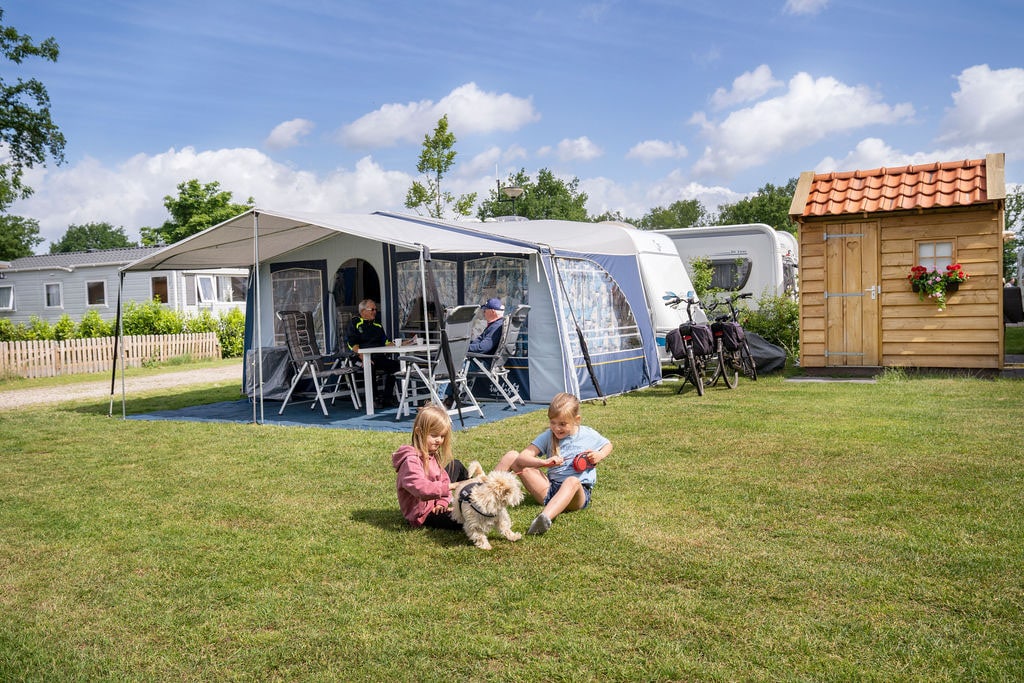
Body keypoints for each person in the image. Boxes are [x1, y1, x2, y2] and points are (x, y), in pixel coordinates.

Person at [496, 392, 612, 535]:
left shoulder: (588, 434)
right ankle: (484, 493)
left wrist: (600, 454)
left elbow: (608, 445)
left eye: (562, 424)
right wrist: (544, 462)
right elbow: (522, 458)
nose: (557, 428)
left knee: (572, 481)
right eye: (553, 423)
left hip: (577, 495)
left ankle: (544, 518)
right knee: (511, 456)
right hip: (550, 489)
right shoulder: (548, 436)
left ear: (577, 420)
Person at [392, 404, 470, 529]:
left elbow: (443, 478)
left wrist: (442, 502)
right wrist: (453, 486)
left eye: (442, 436)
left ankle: (472, 493)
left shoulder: (431, 454)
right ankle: (464, 506)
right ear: (419, 432)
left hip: (436, 502)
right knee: (468, 520)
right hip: (424, 514)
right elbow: (421, 489)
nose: (439, 440)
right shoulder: (410, 461)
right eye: (434, 435)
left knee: (456, 465)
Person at [444, 297, 506, 408]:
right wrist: (465, 345)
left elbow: (483, 347)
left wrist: (463, 348)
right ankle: (450, 398)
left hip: (482, 362)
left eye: (485, 310)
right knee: (455, 366)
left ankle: (441, 400)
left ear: (492, 312)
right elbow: (478, 341)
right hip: (481, 360)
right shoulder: (494, 325)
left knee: (450, 367)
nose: (483, 312)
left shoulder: (496, 327)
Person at [346, 298, 400, 407]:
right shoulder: (355, 322)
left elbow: (387, 343)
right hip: (359, 358)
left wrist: (404, 343)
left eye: (376, 309)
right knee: (369, 366)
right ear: (363, 311)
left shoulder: (377, 325)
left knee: (396, 366)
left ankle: (387, 397)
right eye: (372, 309)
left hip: (378, 357)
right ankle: (374, 399)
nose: (375, 312)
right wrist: (363, 357)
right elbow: (352, 344)